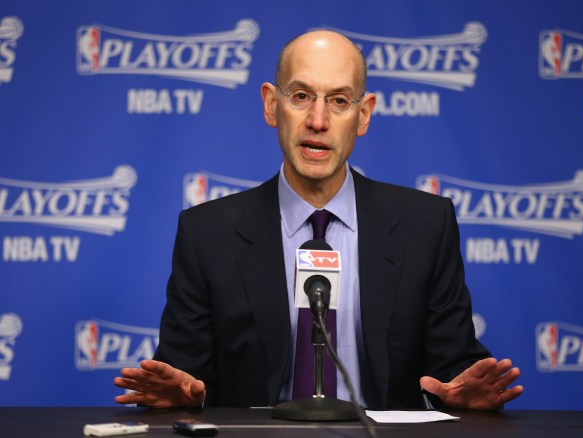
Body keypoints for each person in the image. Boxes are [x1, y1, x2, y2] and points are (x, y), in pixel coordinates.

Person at [114, 30, 523, 411]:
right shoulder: (207, 234)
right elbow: (184, 376)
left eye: (339, 101)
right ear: (271, 105)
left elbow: (453, 366)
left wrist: (462, 391)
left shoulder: (426, 226)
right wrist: (184, 396)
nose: (318, 121)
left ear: (364, 115)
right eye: (301, 96)